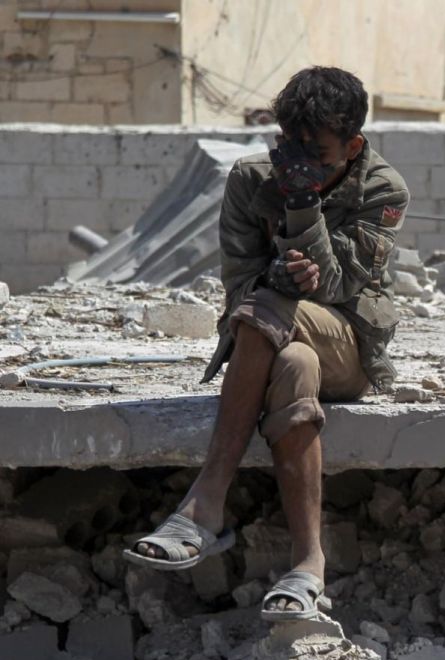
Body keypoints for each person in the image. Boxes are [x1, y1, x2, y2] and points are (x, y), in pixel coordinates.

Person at [123, 66, 409, 621]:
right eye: (290, 148)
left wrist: (302, 203)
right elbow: (238, 287)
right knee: (292, 360)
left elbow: (336, 287)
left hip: (346, 346)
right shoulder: (251, 179)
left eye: (318, 154)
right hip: (275, 340)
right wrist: (277, 275)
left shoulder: (382, 188)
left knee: (269, 312)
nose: (300, 163)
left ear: (352, 146)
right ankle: (308, 565)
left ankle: (207, 501)